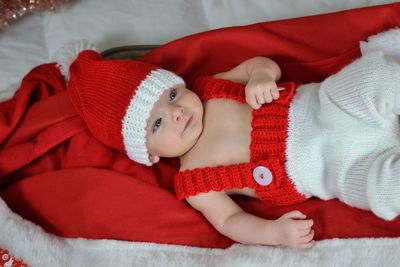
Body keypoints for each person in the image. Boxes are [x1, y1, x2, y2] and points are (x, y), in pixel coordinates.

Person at [55, 28, 400, 249]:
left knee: (374, 78)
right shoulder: (194, 181)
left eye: (172, 97)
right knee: (383, 189)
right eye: (157, 125)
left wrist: (261, 76)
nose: (175, 113)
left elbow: (255, 65)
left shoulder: (210, 88)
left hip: (329, 106)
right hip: (332, 169)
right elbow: (229, 221)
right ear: (149, 154)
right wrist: (273, 234)